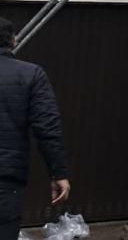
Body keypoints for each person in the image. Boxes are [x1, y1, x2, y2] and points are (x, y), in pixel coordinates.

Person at [0, 18, 70, 240]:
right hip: (6, 178)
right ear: (13, 40)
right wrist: (58, 173)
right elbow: (48, 128)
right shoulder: (31, 74)